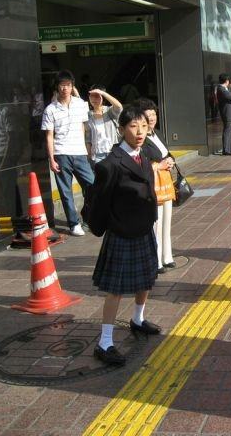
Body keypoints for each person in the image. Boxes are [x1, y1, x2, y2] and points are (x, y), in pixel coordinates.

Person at [88, 104, 161, 365]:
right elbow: (99, 202)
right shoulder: (110, 164)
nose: (140, 132)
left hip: (144, 227)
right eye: (133, 126)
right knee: (116, 289)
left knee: (146, 278)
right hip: (122, 232)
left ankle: (138, 319)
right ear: (121, 130)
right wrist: (103, 227)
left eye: (144, 126)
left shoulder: (146, 153)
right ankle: (105, 342)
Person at [41, 70, 95, 236]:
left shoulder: (80, 104)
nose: (65, 88)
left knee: (93, 186)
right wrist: (51, 159)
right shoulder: (50, 109)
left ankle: (89, 218)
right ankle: (73, 223)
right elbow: (49, 136)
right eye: (62, 85)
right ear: (57, 87)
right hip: (61, 153)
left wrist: (86, 148)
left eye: (68, 85)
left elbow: (84, 127)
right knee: (66, 192)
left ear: (72, 87)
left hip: (79, 153)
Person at [138, 98, 176, 274]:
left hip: (165, 182)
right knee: (156, 222)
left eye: (154, 114)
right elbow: (142, 163)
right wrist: (159, 165)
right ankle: (155, 260)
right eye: (148, 115)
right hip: (153, 184)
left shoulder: (158, 133)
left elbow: (166, 153)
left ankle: (167, 256)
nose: (152, 118)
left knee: (167, 220)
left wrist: (170, 161)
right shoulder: (141, 138)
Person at [85, 85, 123, 166]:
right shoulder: (88, 115)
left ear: (103, 97)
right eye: (92, 96)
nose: (94, 99)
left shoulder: (109, 111)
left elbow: (119, 107)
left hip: (113, 152)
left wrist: (103, 93)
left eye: (97, 96)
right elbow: (88, 137)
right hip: (97, 155)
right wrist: (88, 155)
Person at [214, 73, 231, 156]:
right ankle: (226, 150)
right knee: (227, 131)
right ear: (227, 81)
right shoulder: (221, 89)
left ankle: (230, 148)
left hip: (229, 112)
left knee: (230, 132)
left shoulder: (224, 89)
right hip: (227, 113)